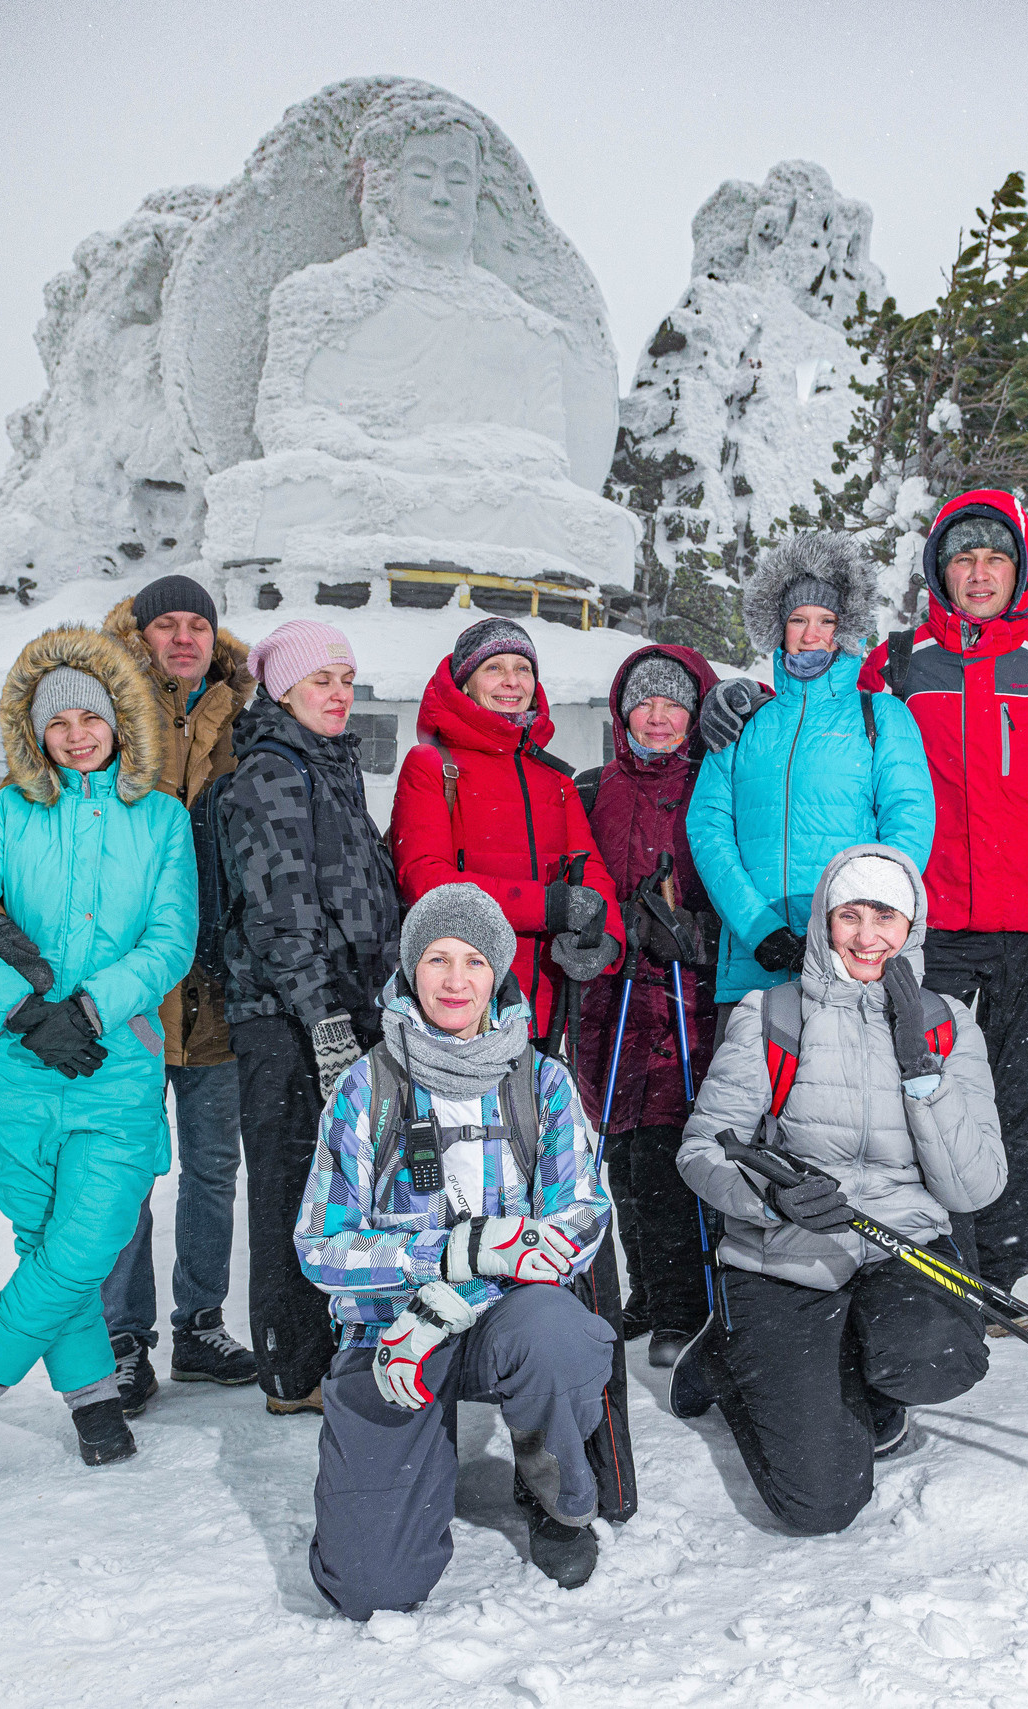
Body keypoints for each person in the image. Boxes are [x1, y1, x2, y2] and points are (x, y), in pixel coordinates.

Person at [299, 884, 618, 1618]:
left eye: (474, 961)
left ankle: (554, 1496)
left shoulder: (542, 1082)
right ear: (411, 969)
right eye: (437, 958)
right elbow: (320, 1245)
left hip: (506, 1324)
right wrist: (447, 1259)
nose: (454, 979)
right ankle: (409, 1477)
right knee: (371, 1588)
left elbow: (579, 1218)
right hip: (391, 1334)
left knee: (558, 1334)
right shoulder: (365, 1086)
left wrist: (456, 1296)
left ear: (497, 974)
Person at [0, 625, 195, 1479]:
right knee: (45, 1241)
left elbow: (169, 939)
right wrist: (25, 1012)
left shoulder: (161, 819)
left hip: (115, 1067)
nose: (77, 734)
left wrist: (89, 1006)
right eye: (58, 722)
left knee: (90, 1241)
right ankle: (94, 1402)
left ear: (120, 721)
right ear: (35, 735)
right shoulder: (9, 812)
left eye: (91, 717)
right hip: (14, 1070)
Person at [670, 845, 1004, 1535]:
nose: (865, 935)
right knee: (819, 1503)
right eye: (848, 915)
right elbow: (702, 1149)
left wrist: (922, 1069)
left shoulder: (947, 1024)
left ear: (910, 923)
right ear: (825, 922)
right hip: (789, 1252)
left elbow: (973, 1185)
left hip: (898, 1246)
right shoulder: (772, 1013)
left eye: (885, 914)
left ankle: (862, 1368)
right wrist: (769, 1199)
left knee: (936, 1357)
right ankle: (737, 1362)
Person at [852, 490, 1028, 1314]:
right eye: (964, 557)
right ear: (939, 570)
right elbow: (837, 759)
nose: (980, 572)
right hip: (933, 928)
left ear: (1020, 567)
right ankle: (940, 1258)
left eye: (996, 557)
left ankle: (999, 1271)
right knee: (930, 1092)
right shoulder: (893, 665)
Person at [215, 620, 404, 1418]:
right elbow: (281, 914)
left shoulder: (329, 766)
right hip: (284, 1021)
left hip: (342, 1009)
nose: (338, 693)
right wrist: (325, 1021)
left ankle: (331, 1349)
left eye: (346, 679)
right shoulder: (270, 772)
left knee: (339, 1190)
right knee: (294, 1187)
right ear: (282, 688)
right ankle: (293, 1370)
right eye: (320, 679)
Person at [90, 574, 259, 1408]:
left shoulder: (243, 714)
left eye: (199, 624)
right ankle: (124, 1336)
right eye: (169, 625)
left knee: (213, 1164)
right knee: (126, 1164)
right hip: (130, 983)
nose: (184, 637)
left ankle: (199, 1322)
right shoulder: (108, 712)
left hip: (218, 981)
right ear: (141, 633)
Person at [686, 533, 934, 1013]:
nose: (810, 633)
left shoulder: (880, 717)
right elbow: (709, 828)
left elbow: (909, 824)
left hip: (853, 965)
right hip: (754, 964)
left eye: (826, 620)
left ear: (846, 628)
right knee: (746, 1087)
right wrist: (760, 930)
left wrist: (862, 929)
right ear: (777, 627)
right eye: (797, 619)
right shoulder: (744, 723)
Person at [570, 643, 724, 1366]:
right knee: (622, 1155)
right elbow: (575, 871)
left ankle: (681, 1305)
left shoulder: (713, 780)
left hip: (682, 999)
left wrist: (694, 931)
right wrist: (602, 922)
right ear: (622, 708)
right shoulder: (594, 786)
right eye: (645, 701)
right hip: (609, 996)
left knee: (669, 1153)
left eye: (673, 704)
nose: (658, 717)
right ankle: (642, 1292)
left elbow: (731, 874)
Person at [388, 616, 624, 1048]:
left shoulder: (553, 777)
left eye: (523, 668)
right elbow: (425, 881)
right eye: (494, 668)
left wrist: (606, 936)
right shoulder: (433, 765)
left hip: (547, 1007)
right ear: (466, 682)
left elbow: (591, 872)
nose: (512, 681)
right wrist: (547, 908)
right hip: (462, 1001)